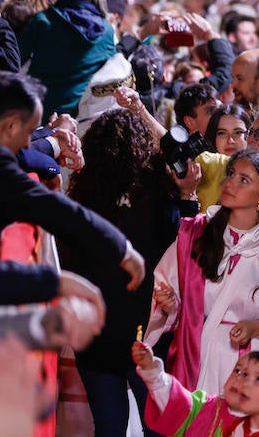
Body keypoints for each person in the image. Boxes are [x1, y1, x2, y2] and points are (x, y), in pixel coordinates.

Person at [0, 71, 146, 288]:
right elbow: (54, 209)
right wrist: (121, 248)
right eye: (29, 131)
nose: (28, 143)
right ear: (10, 125)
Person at [64, 106, 199, 435]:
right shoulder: (157, 201)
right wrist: (186, 195)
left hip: (95, 334)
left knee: (109, 428)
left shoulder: (79, 204)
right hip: (146, 331)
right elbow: (183, 247)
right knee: (158, 424)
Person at [144, 150, 259, 394]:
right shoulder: (195, 235)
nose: (230, 182)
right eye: (231, 174)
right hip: (197, 361)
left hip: (251, 368)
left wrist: (257, 327)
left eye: (244, 179)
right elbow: (167, 291)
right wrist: (170, 304)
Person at [133, 343, 259, 436]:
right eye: (239, 370)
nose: (241, 379)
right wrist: (153, 372)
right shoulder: (207, 408)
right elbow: (175, 402)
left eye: (258, 378)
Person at [18, 0, 117, 117]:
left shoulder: (43, 21)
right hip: (80, 118)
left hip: (37, 112)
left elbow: (16, 59)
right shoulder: (107, 31)